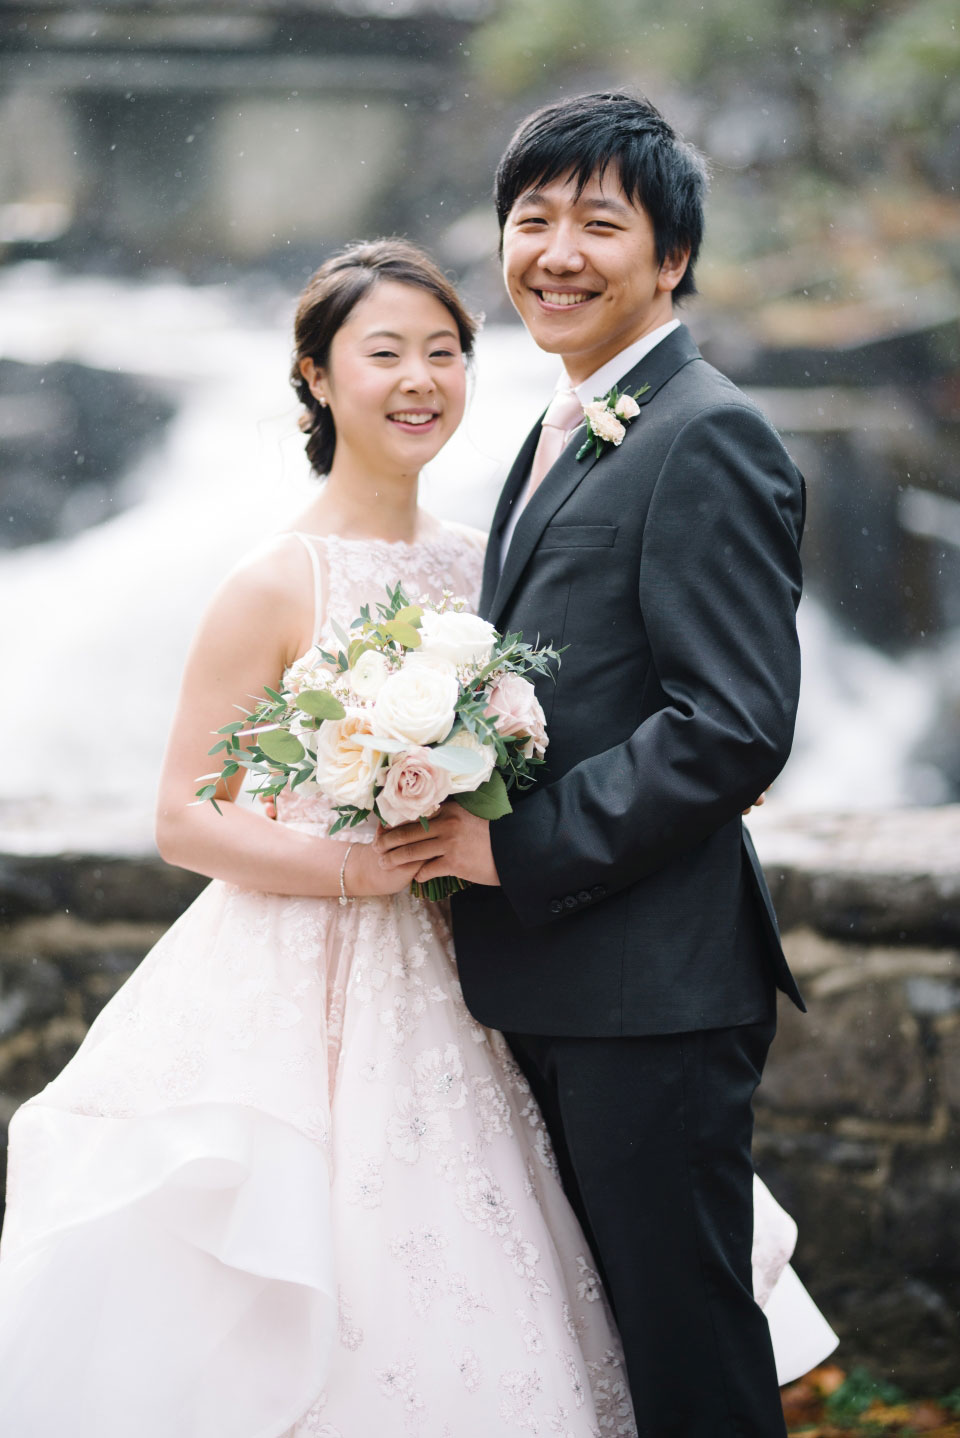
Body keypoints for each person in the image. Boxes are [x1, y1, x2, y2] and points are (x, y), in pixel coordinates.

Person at [0, 238, 828, 1438]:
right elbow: (185, 814)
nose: (420, 379)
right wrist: (356, 861)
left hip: (489, 966)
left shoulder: (481, 555)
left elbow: (571, 712)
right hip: (311, 977)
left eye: (445, 351)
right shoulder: (272, 579)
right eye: (384, 352)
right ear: (316, 377)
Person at [375, 93, 837, 1435]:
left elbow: (736, 721)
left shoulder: (705, 430)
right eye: (531, 220)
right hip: (570, 975)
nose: (555, 252)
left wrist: (505, 845)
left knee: (684, 1344)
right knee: (606, 1347)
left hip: (655, 988)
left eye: (598, 222)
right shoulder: (554, 426)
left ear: (671, 256)